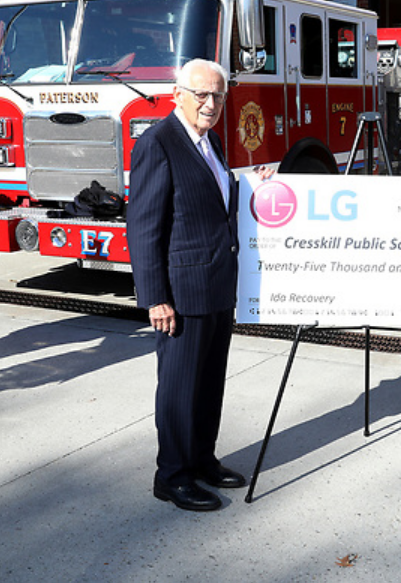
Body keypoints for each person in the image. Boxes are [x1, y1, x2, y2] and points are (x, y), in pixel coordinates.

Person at [128, 59, 271, 511]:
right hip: (181, 293)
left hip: (215, 285)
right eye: (202, 95)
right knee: (178, 387)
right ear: (178, 94)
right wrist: (156, 298)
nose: (211, 104)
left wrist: (249, 185)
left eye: (218, 96)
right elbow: (144, 227)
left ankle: (202, 460)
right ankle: (171, 474)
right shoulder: (158, 143)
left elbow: (211, 199)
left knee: (209, 383)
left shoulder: (210, 143)